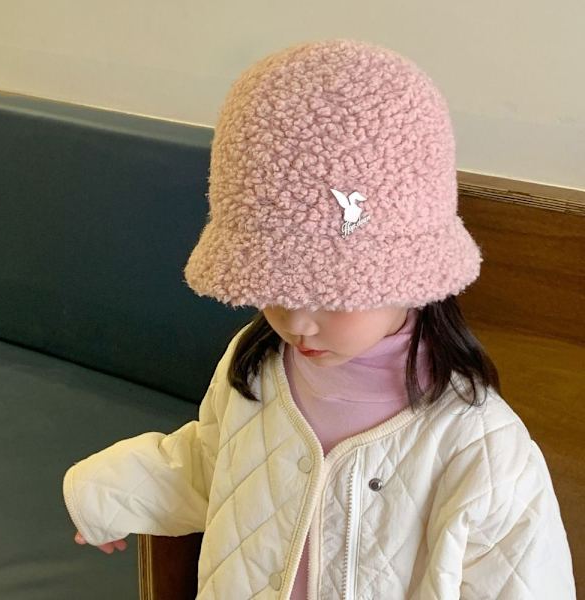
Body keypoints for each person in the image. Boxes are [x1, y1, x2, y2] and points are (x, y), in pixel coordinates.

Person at [63, 39, 576, 599]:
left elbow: (521, 581)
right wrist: (108, 495)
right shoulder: (257, 365)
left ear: (410, 275)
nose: (297, 322)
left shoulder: (479, 445)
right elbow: (215, 465)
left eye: (332, 294)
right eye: (273, 285)